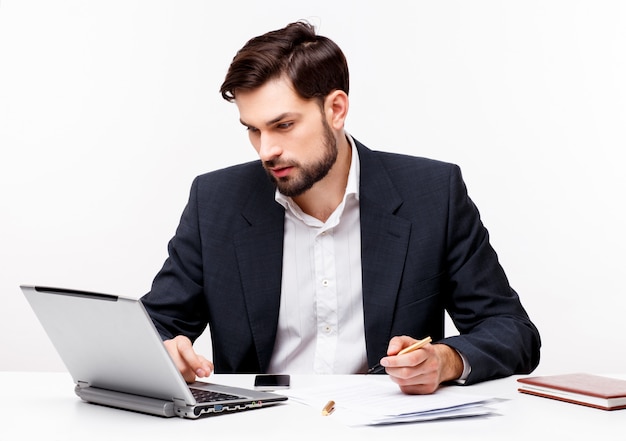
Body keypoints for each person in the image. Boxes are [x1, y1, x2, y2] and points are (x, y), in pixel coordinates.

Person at [142, 21, 541, 395]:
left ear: (335, 109)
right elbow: (155, 324)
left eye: (283, 126)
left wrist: (447, 359)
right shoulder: (216, 200)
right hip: (258, 431)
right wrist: (162, 349)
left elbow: (512, 331)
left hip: (386, 436)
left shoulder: (433, 195)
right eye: (253, 129)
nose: (267, 151)